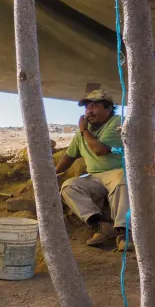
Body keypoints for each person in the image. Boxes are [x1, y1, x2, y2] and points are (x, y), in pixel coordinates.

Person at [55, 88, 129, 249]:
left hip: (116, 172)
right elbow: (69, 156)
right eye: (87, 108)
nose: (89, 111)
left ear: (108, 108)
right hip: (94, 177)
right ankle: (100, 226)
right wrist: (53, 174)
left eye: (95, 106)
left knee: (123, 179)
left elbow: (100, 150)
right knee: (69, 186)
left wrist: (84, 130)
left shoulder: (118, 122)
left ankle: (124, 234)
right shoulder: (82, 132)